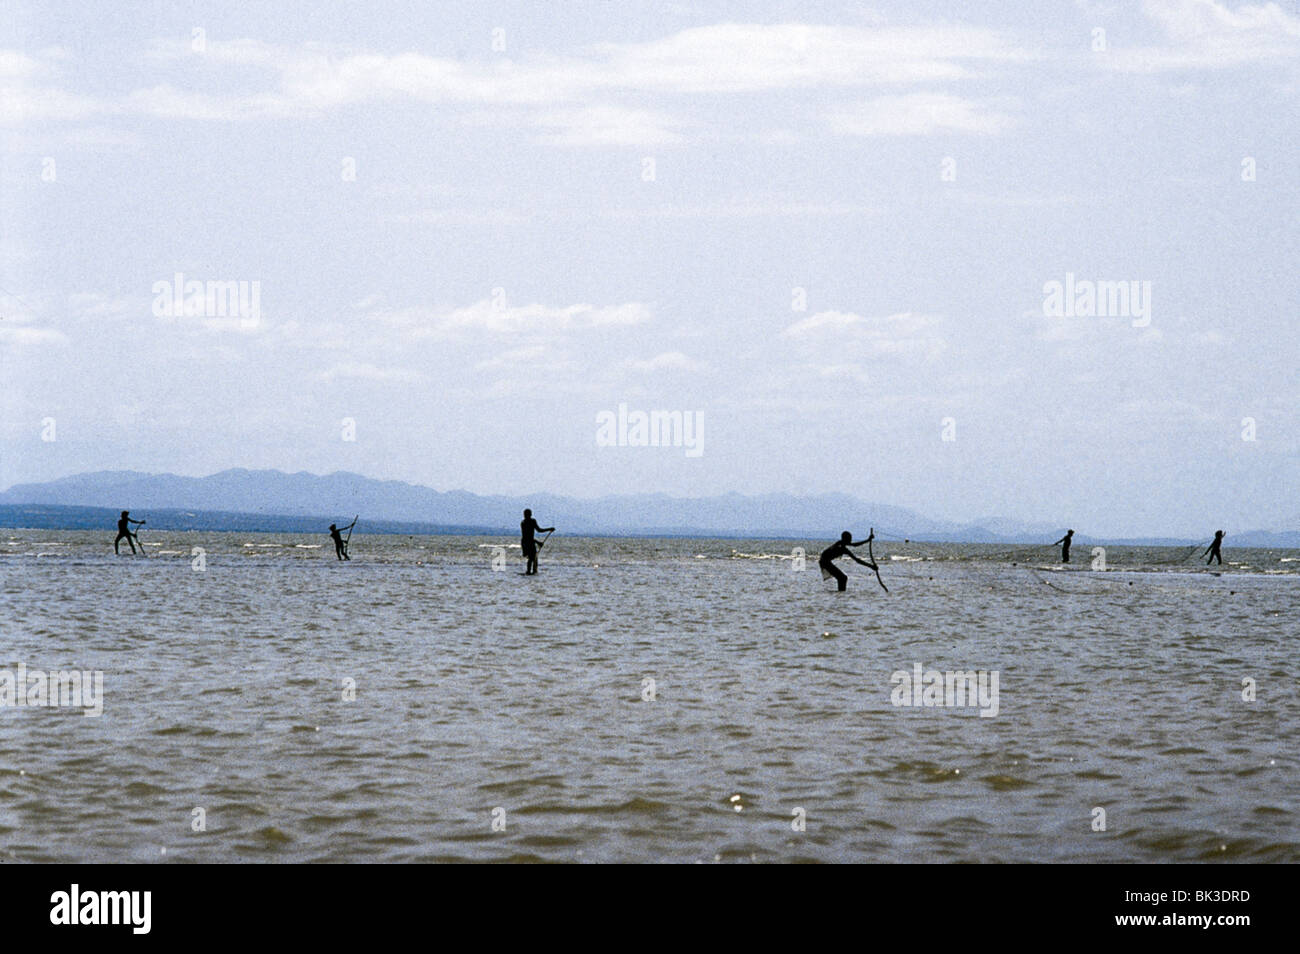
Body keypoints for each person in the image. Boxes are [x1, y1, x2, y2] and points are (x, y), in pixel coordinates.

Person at [520, 508, 555, 575]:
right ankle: (531, 572)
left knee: (533, 557)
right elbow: (537, 531)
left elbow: (535, 532)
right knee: (532, 557)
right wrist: (538, 542)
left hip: (525, 542)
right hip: (528, 542)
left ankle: (531, 572)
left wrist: (549, 529)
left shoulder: (523, 522)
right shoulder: (529, 522)